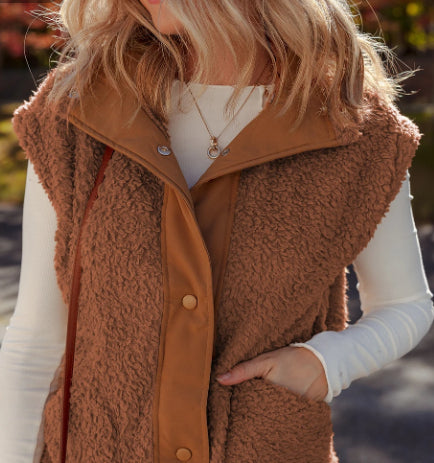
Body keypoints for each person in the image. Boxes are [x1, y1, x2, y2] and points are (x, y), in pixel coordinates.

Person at [1, 0, 433, 462]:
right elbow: (35, 340)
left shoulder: (354, 129)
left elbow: (406, 305)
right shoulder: (79, 108)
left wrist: (327, 364)